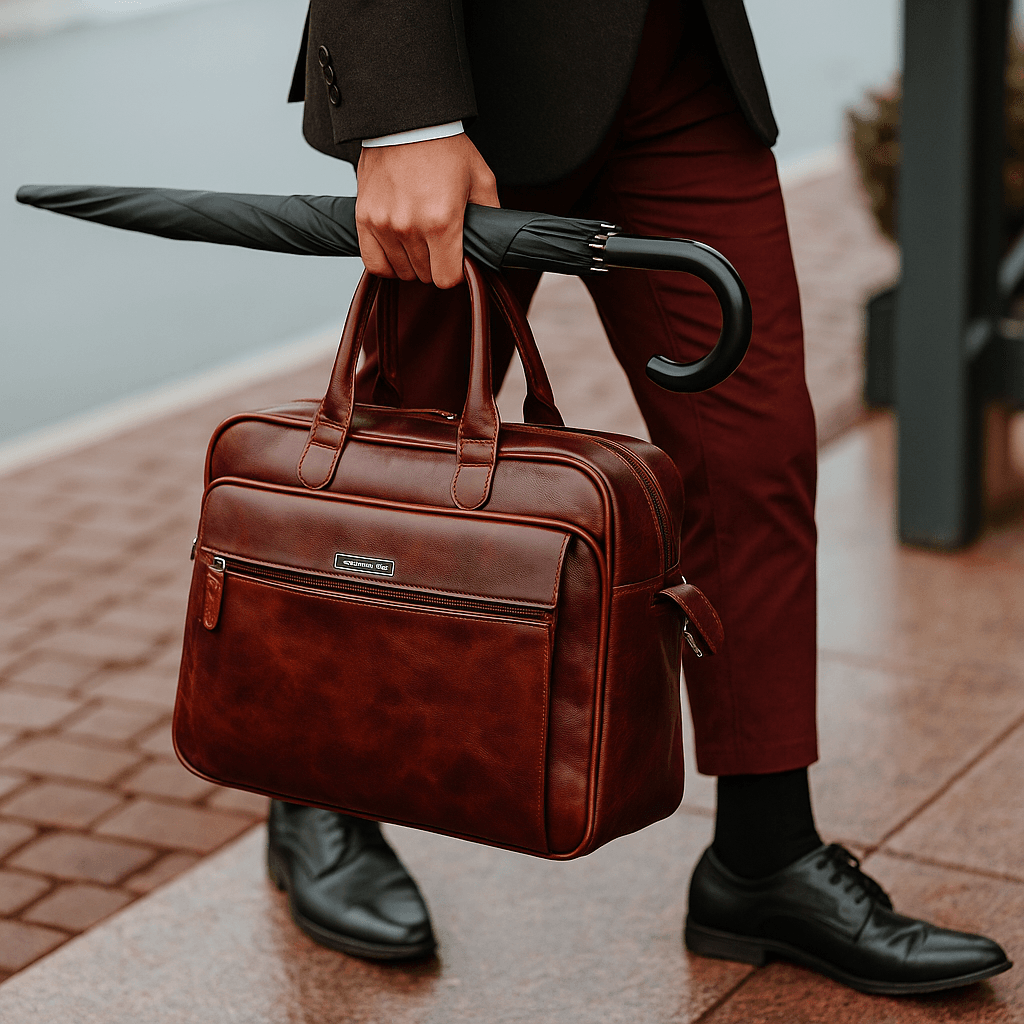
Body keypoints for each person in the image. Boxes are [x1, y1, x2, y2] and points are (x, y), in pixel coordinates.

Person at [269, 0, 1012, 993]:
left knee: (757, 454)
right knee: (402, 460)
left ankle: (764, 855)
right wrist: (404, 118)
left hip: (680, 60)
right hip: (473, 79)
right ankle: (318, 793)